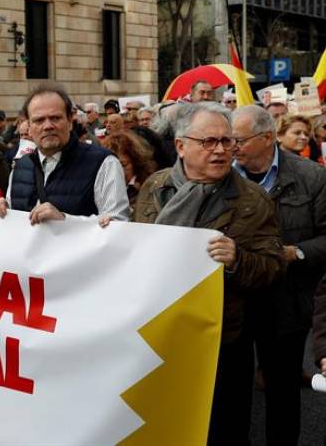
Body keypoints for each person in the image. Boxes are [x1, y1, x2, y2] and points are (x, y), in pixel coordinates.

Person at [134, 102, 284, 445]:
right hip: (161, 334)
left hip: (222, 341)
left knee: (223, 430)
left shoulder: (252, 199)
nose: (220, 150)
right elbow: (135, 246)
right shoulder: (155, 187)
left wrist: (238, 260)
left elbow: (274, 267)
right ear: (181, 146)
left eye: (227, 142)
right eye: (209, 142)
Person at [232, 105, 326, 446]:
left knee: (283, 391)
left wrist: (296, 253)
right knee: (232, 393)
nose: (231, 147)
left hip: (287, 300)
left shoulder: (312, 177)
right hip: (234, 302)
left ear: (267, 138)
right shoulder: (221, 175)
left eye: (239, 139)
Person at [0, 83, 129, 223]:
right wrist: (3, 210)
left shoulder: (104, 163)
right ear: (29, 127)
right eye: (39, 120)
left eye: (55, 118)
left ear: (70, 121)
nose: (48, 126)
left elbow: (117, 225)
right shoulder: (20, 166)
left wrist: (65, 221)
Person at [102, 131, 156, 212]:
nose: (117, 172)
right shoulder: (101, 187)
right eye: (111, 167)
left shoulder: (149, 186)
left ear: (135, 162)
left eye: (123, 165)